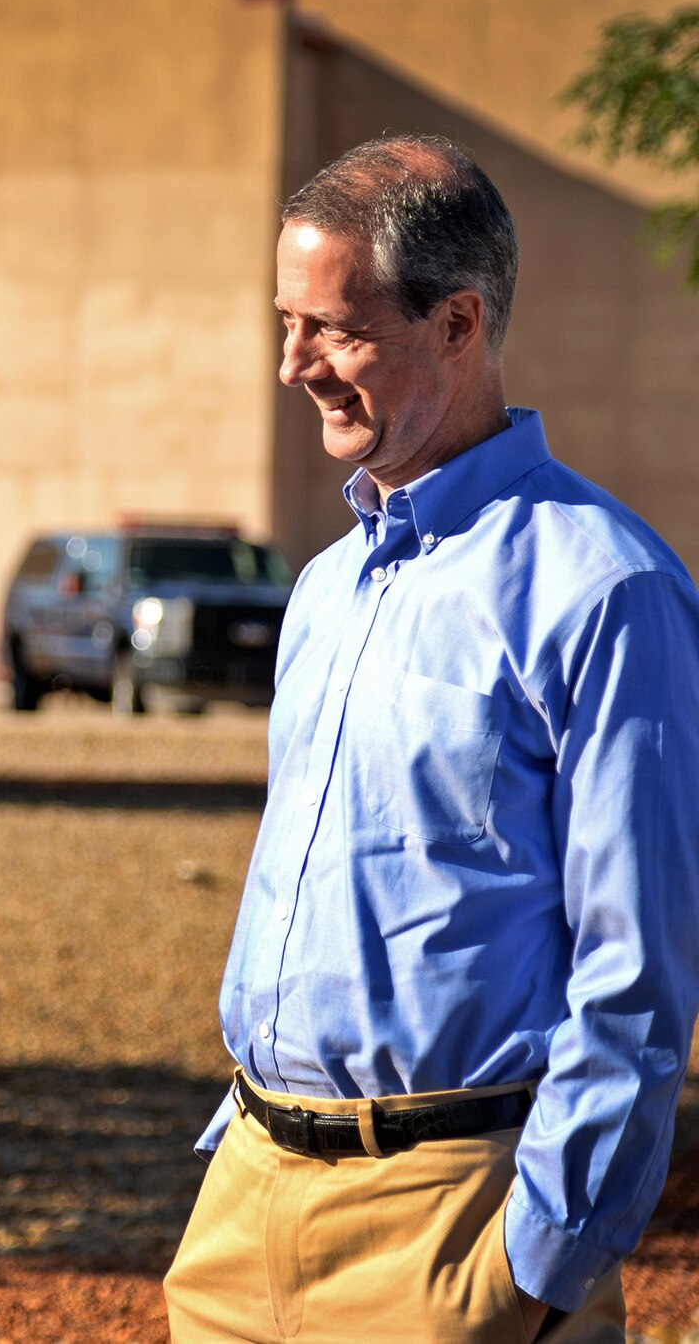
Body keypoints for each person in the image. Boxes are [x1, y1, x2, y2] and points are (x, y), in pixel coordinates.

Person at [163, 135, 699, 1342]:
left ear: (458, 323)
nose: (291, 365)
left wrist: (539, 1260)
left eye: (332, 330)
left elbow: (637, 972)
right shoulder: (323, 588)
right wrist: (240, 1155)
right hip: (242, 1202)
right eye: (282, 321)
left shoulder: (602, 590)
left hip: (453, 1231)